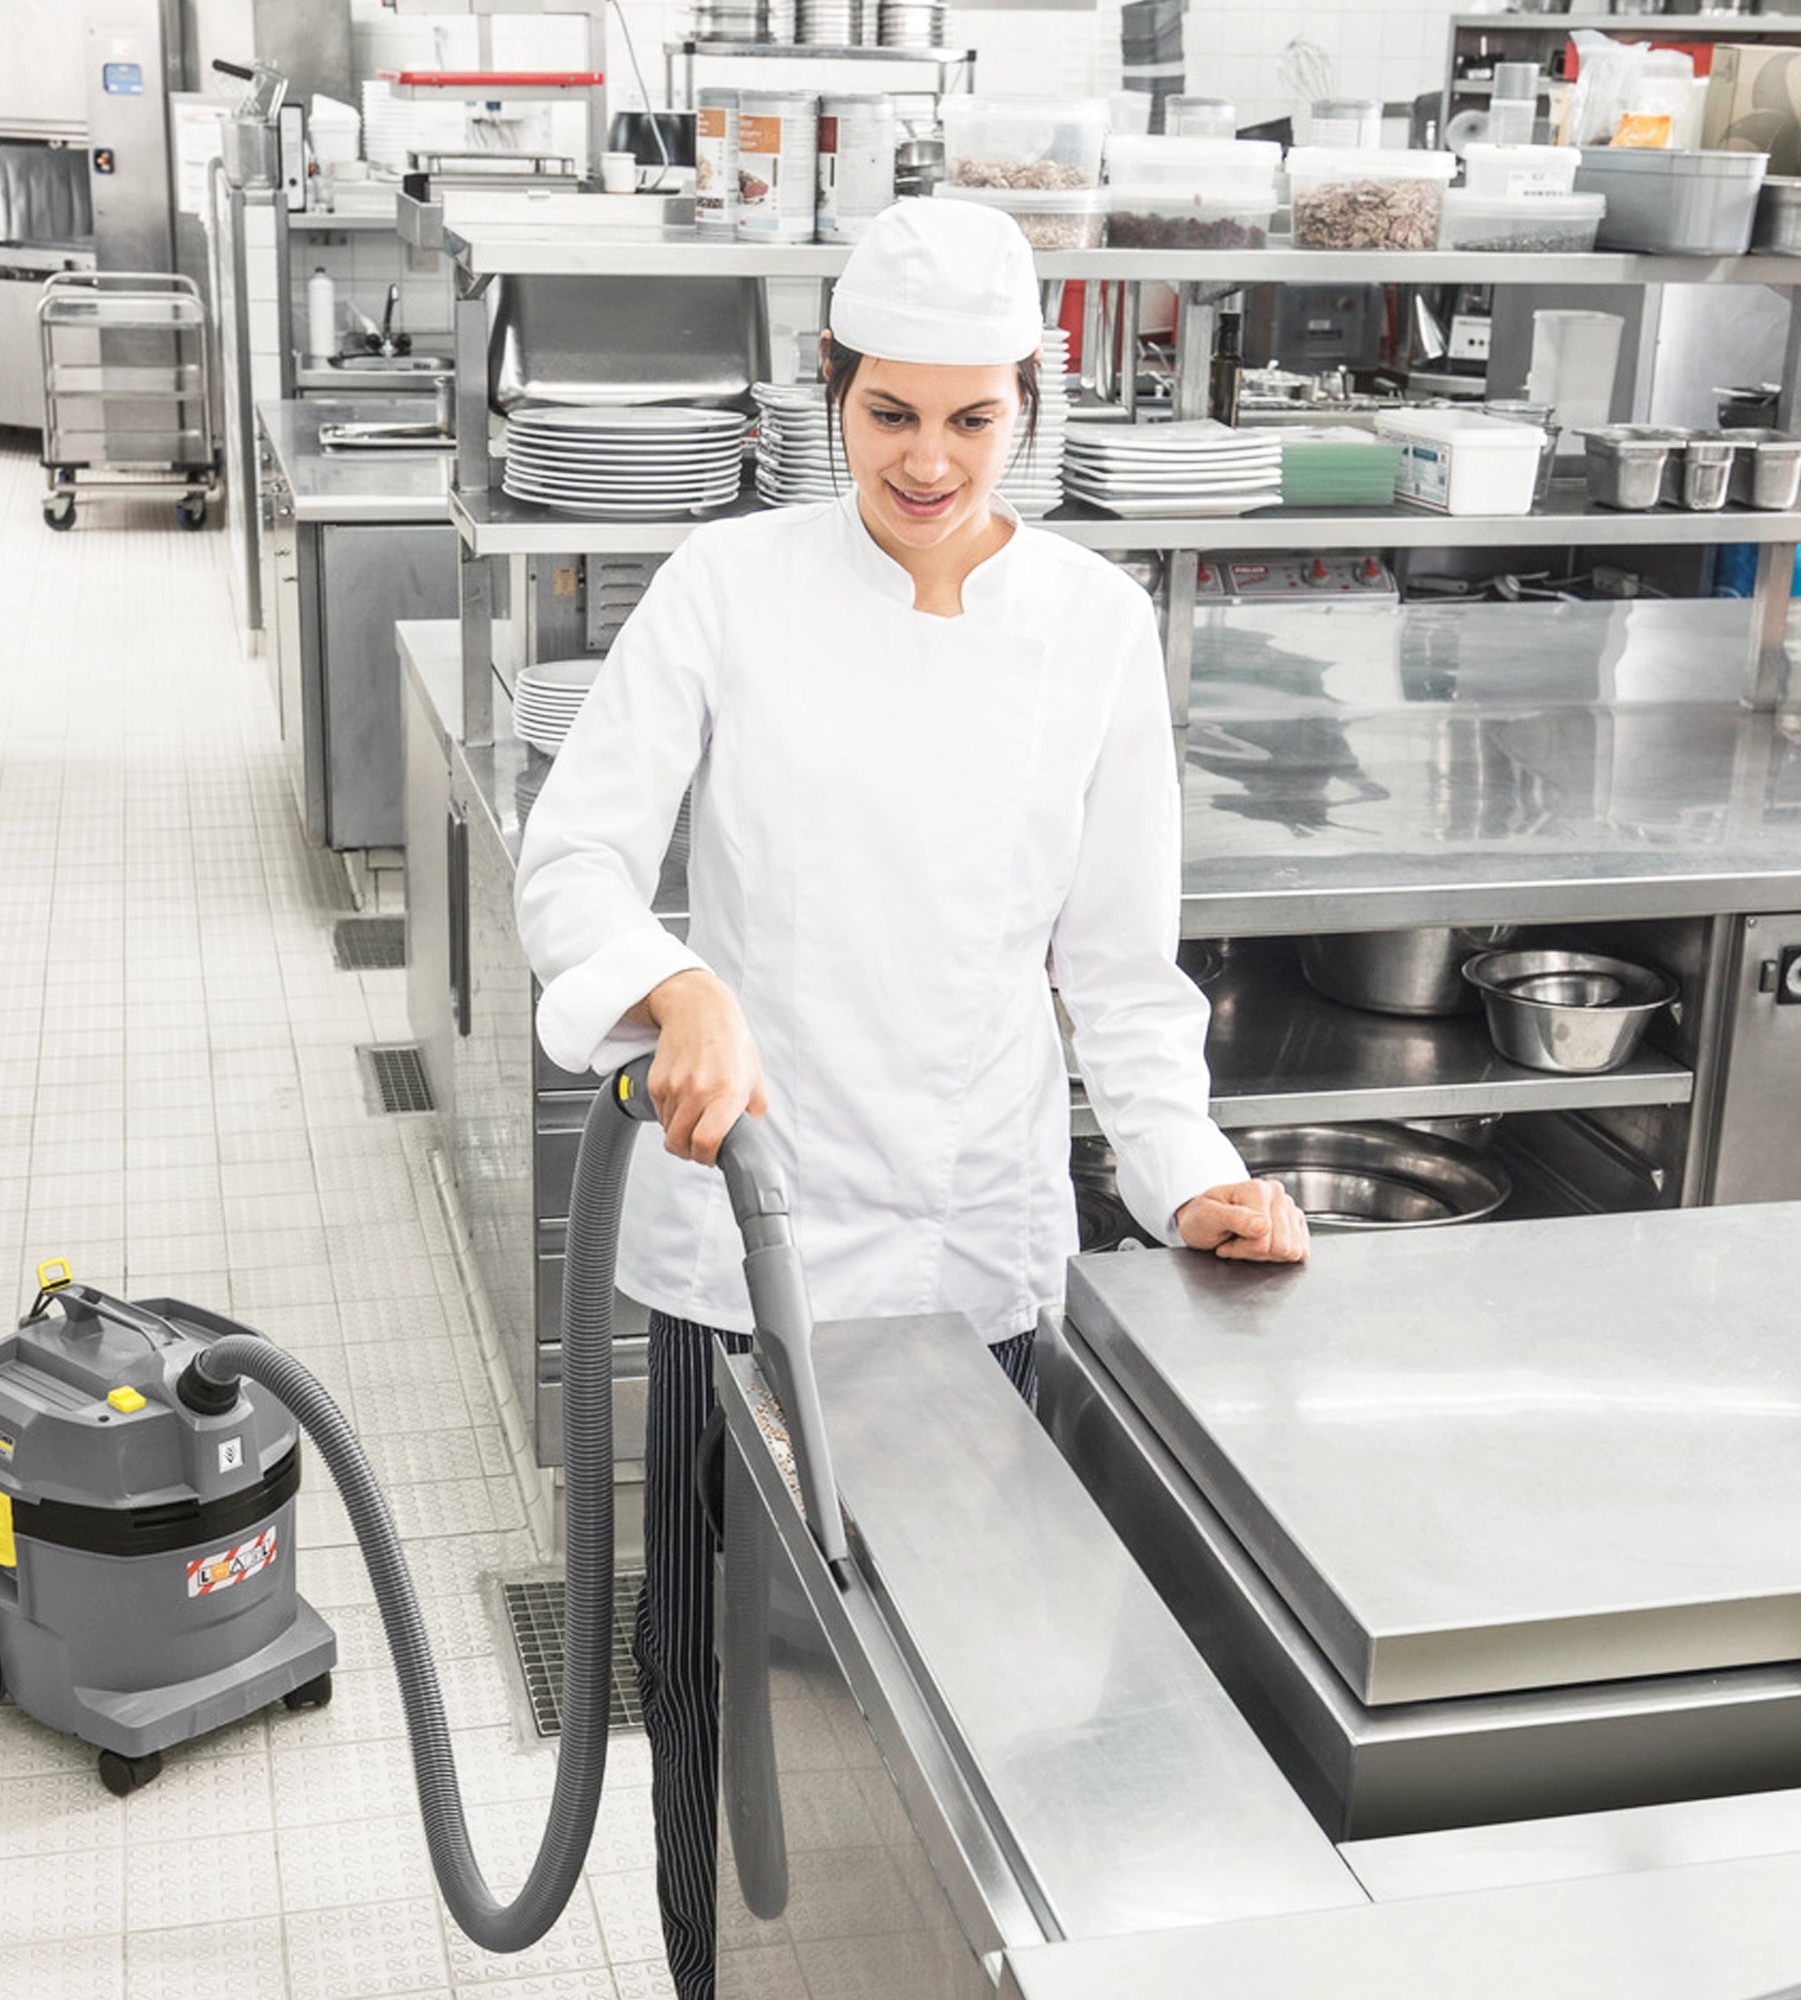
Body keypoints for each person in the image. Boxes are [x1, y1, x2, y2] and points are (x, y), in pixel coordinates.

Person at [514, 196, 1309, 1999]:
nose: (929, 461)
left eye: (971, 417)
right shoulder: (729, 588)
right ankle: (712, 1973)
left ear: (1030, 398)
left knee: (960, 1697)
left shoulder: (1095, 624)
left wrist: (1185, 1171)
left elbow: (1121, 968)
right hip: (743, 1252)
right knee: (709, 1677)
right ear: (831, 391)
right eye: (889, 414)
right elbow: (574, 860)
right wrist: (673, 984)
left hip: (972, 1263)